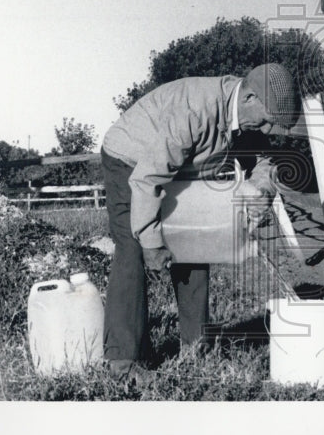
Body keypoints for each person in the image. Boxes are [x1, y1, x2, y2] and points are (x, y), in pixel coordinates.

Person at [100, 63, 298, 384]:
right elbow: (147, 178)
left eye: (270, 125)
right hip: (131, 160)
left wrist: (261, 190)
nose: (264, 130)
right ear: (248, 97)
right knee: (133, 247)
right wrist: (152, 242)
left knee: (194, 244)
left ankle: (197, 347)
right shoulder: (195, 112)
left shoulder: (246, 113)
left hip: (174, 168)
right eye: (263, 121)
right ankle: (123, 362)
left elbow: (262, 159)